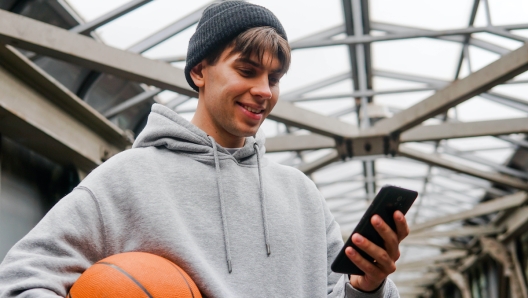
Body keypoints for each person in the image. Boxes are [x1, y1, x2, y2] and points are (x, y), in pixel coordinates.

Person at [0, 1, 409, 297]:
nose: (264, 91)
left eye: (275, 77)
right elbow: (21, 279)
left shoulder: (300, 194)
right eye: (247, 71)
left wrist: (367, 287)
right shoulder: (129, 177)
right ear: (199, 71)